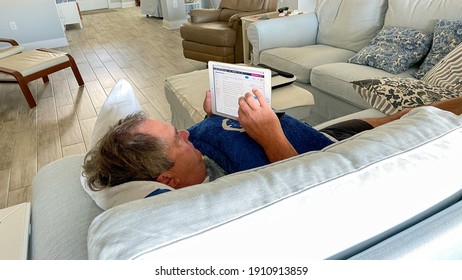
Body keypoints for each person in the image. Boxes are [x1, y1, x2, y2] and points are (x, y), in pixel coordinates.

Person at [82, 89, 462, 193]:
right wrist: (271, 135)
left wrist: (212, 117)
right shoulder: (223, 191)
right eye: (177, 141)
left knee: (399, 113)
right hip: (336, 153)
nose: (185, 133)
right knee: (421, 117)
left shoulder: (188, 162)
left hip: (321, 134)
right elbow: (306, 184)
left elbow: (201, 140)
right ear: (169, 180)